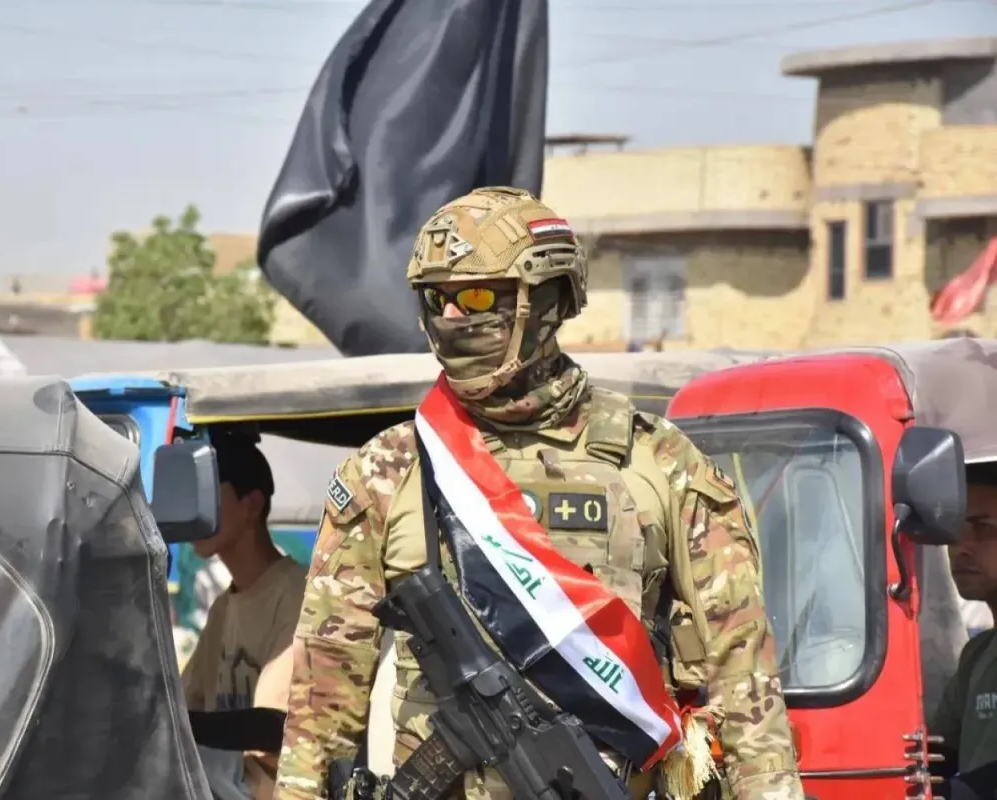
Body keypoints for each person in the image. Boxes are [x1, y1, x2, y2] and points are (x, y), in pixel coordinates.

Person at [273, 187, 803, 799]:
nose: (453, 317)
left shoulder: (658, 463)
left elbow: (743, 673)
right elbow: (323, 694)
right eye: (438, 299)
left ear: (548, 299)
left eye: (476, 297)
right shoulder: (388, 470)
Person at [180, 439, 307, 799]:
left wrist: (166, 720)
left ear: (252, 504)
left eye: (208, 495)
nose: (196, 512)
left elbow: (273, 725)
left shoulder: (296, 593)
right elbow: (187, 702)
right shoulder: (224, 606)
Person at [930, 462, 997, 792]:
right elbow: (936, 755)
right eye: (954, 530)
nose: (961, 547)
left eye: (983, 528)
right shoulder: (977, 654)